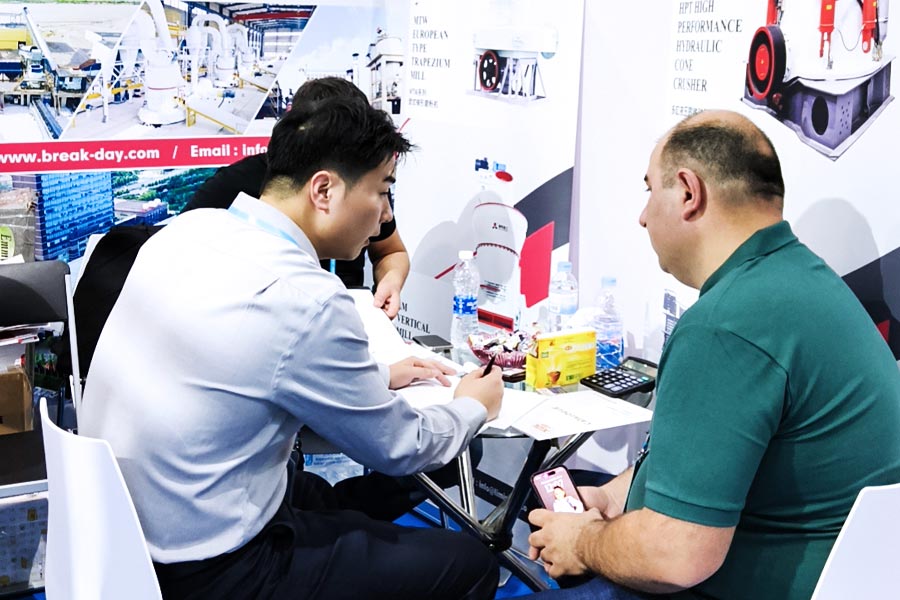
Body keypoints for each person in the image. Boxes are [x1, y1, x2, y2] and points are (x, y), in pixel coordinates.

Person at [79, 96, 505, 599]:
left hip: (127, 530)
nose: (385, 215)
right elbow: (400, 446)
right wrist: (473, 406)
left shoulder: (191, 230)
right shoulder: (307, 298)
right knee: (471, 564)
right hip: (212, 567)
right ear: (323, 190)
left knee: (331, 499)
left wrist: (378, 376)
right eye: (381, 192)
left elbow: (243, 364)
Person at [526, 110, 900, 600]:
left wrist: (583, 541)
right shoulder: (799, 280)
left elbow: (675, 556)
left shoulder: (726, 325)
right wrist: (612, 499)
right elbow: (711, 459)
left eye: (649, 191)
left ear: (688, 192)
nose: (642, 216)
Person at [183, 77, 408, 319]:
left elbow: (391, 251)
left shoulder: (365, 183)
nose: (386, 214)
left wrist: (390, 281)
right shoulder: (236, 183)